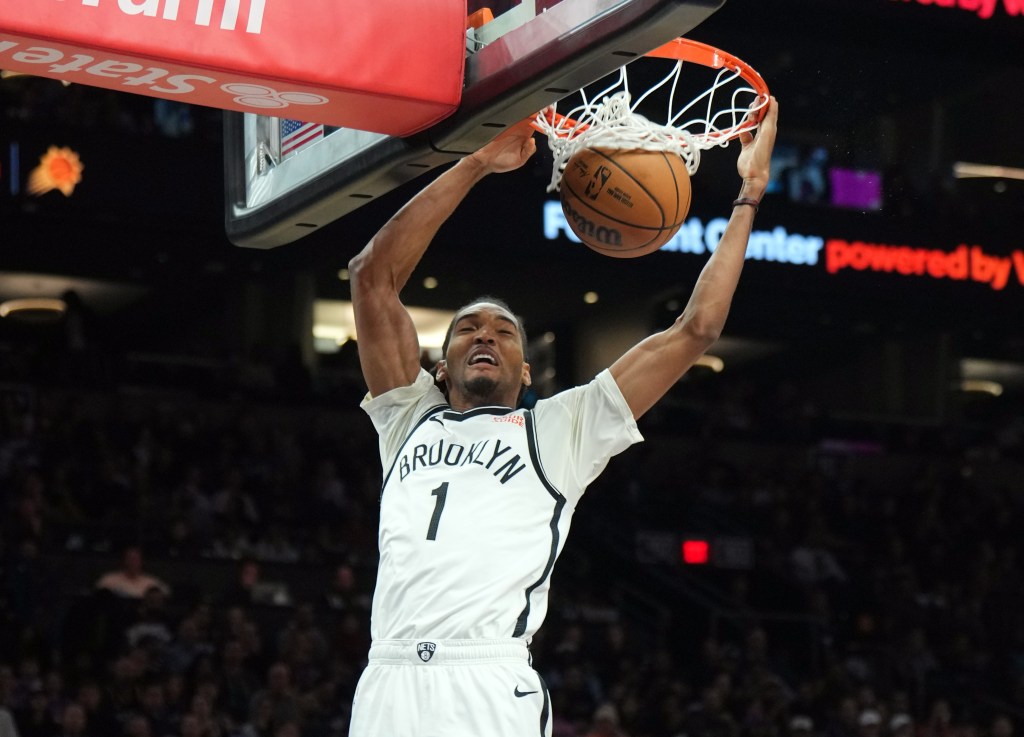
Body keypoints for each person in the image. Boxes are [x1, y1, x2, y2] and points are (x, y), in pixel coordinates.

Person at [345, 97, 779, 736]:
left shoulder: (560, 429)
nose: (485, 335)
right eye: (467, 328)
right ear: (440, 365)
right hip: (386, 679)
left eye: (504, 331)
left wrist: (749, 194)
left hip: (486, 681)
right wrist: (478, 162)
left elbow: (696, 329)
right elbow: (371, 276)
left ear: (526, 373)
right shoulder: (407, 416)